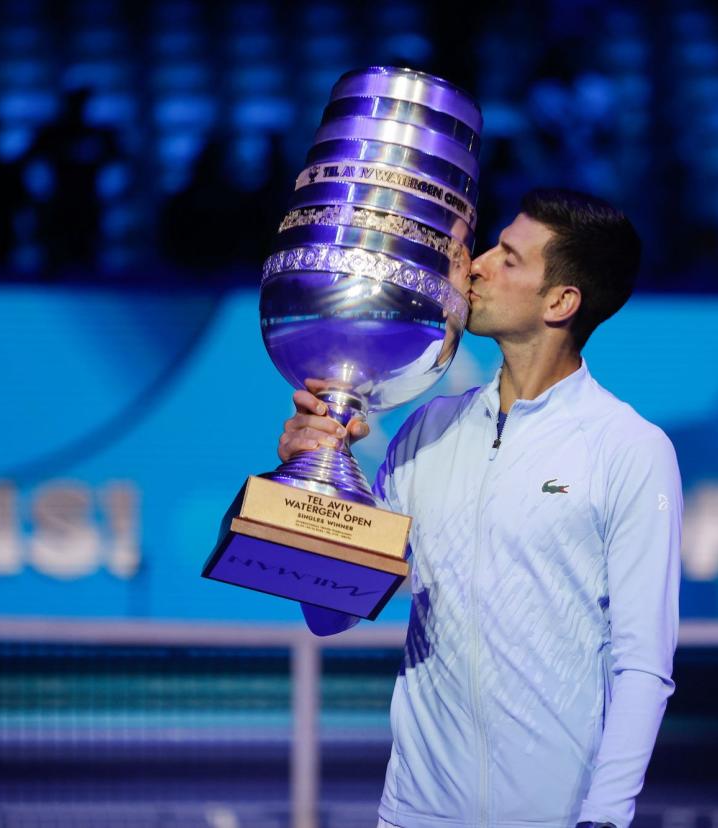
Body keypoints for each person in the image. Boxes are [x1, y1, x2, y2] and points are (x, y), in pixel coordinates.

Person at [278, 189, 682, 828]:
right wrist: (313, 481)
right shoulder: (426, 430)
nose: (475, 265)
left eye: (509, 258)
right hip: (415, 814)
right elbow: (331, 609)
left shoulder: (630, 449)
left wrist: (604, 818)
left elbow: (643, 664)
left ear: (560, 302)